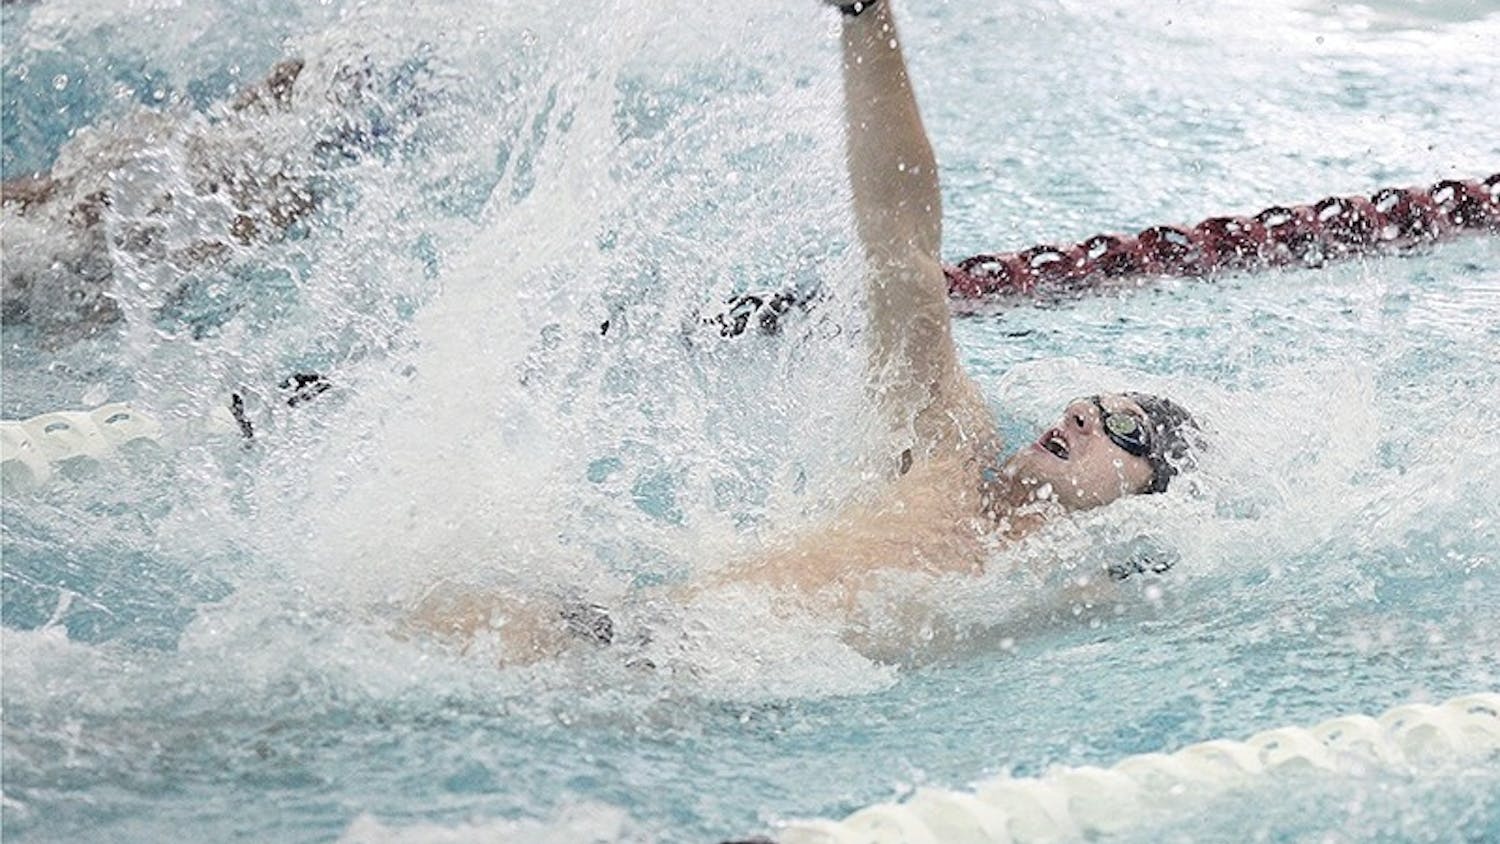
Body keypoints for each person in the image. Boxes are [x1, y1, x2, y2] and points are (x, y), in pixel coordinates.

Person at [408, 0, 1201, 664]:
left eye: (1121, 428)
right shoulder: (948, 454)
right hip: (622, 638)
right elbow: (902, 248)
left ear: (1145, 494)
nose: (1080, 416)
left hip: (684, 673)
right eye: (1087, 404)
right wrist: (866, 16)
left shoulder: (1068, 594)